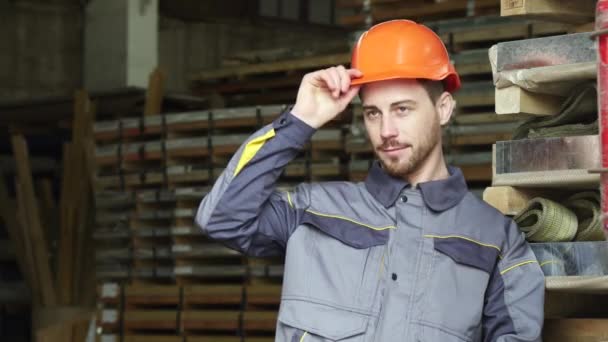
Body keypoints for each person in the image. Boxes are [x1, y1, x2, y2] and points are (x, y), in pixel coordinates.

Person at [196, 20, 544, 341]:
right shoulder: (311, 211)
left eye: (402, 109)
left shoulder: (496, 240)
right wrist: (301, 119)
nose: (386, 131)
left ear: (444, 109)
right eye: (373, 113)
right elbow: (222, 217)